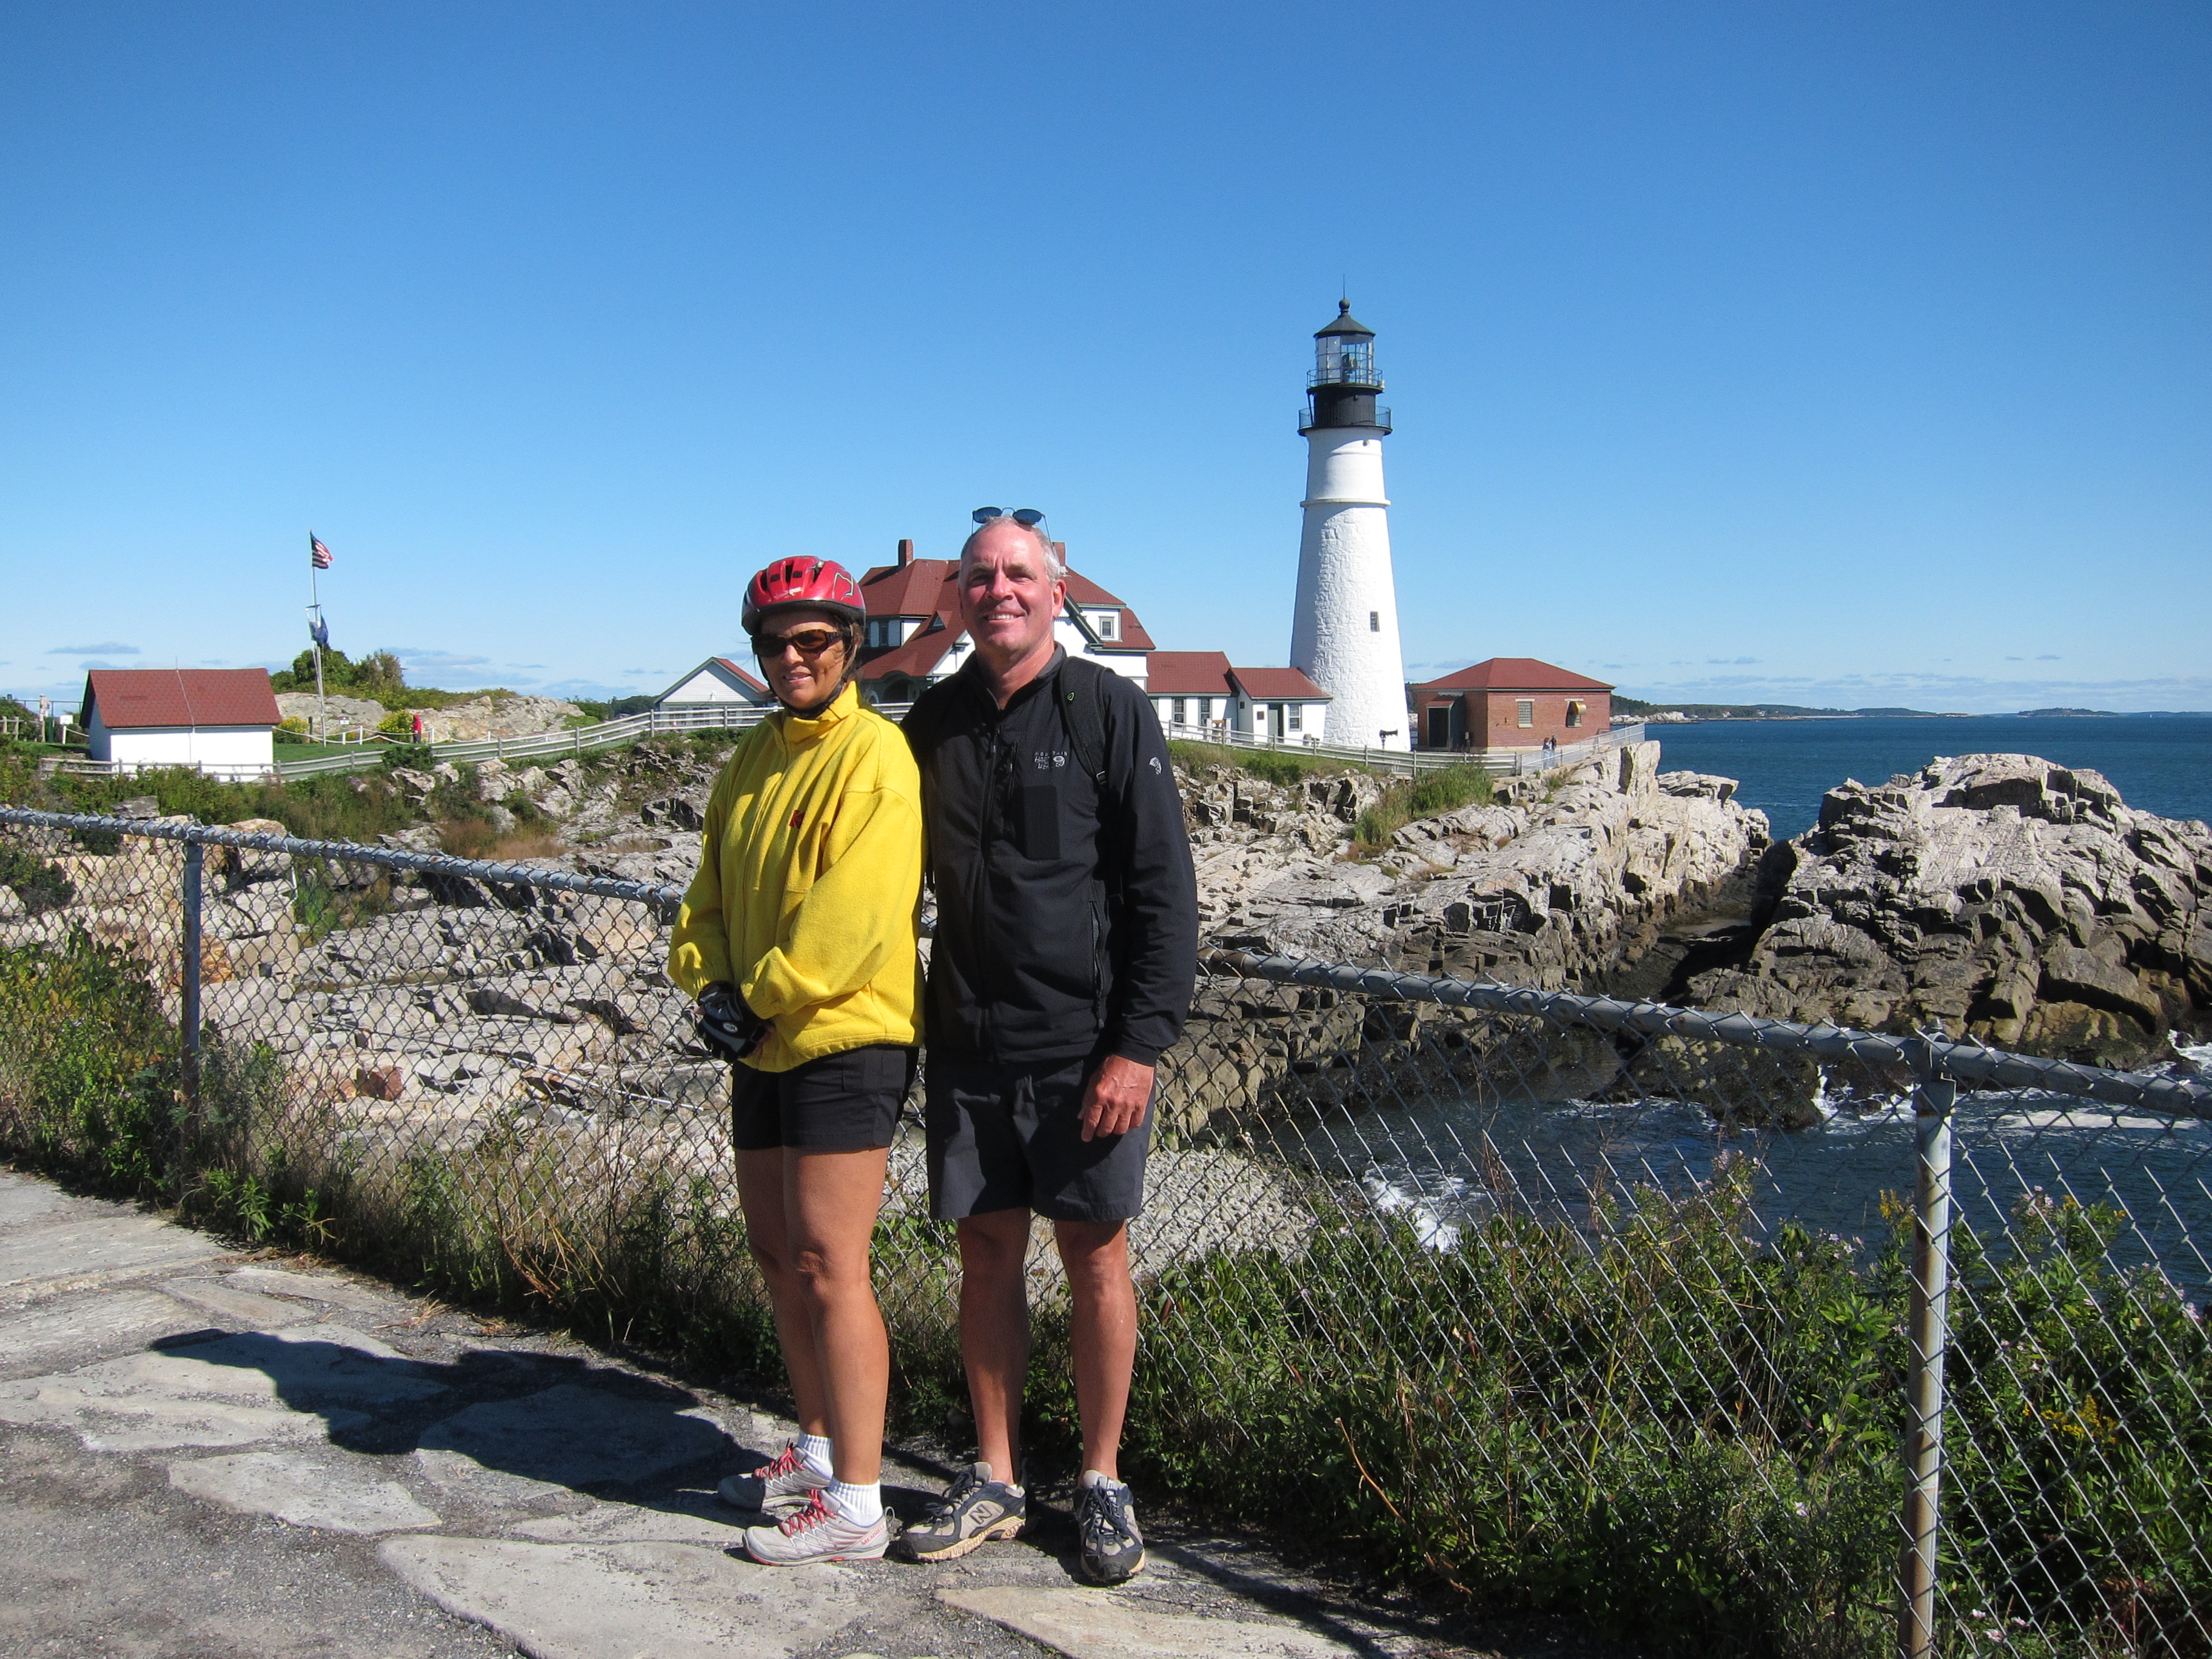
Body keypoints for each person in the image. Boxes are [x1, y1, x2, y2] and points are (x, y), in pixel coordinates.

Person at [897, 508, 1198, 1584]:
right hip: (968, 1041)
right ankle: (995, 1474)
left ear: (1057, 593)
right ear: (957, 598)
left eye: (1019, 574)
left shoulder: (1110, 710)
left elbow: (1165, 894)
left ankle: (1103, 1480)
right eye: (980, 577)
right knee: (985, 1257)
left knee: (1096, 1257)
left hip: (1085, 1050)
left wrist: (1138, 1048)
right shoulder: (931, 722)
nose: (1000, 592)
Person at [666, 555, 923, 1566]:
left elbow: (856, 917)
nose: (792, 658)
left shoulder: (876, 757)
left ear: (850, 646)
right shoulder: (751, 758)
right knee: (778, 1255)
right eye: (773, 643)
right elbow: (709, 893)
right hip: (763, 1039)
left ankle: (858, 1504)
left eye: (813, 640)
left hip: (847, 1039)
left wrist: (758, 996)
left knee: (829, 1264)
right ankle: (817, 1451)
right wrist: (708, 985)